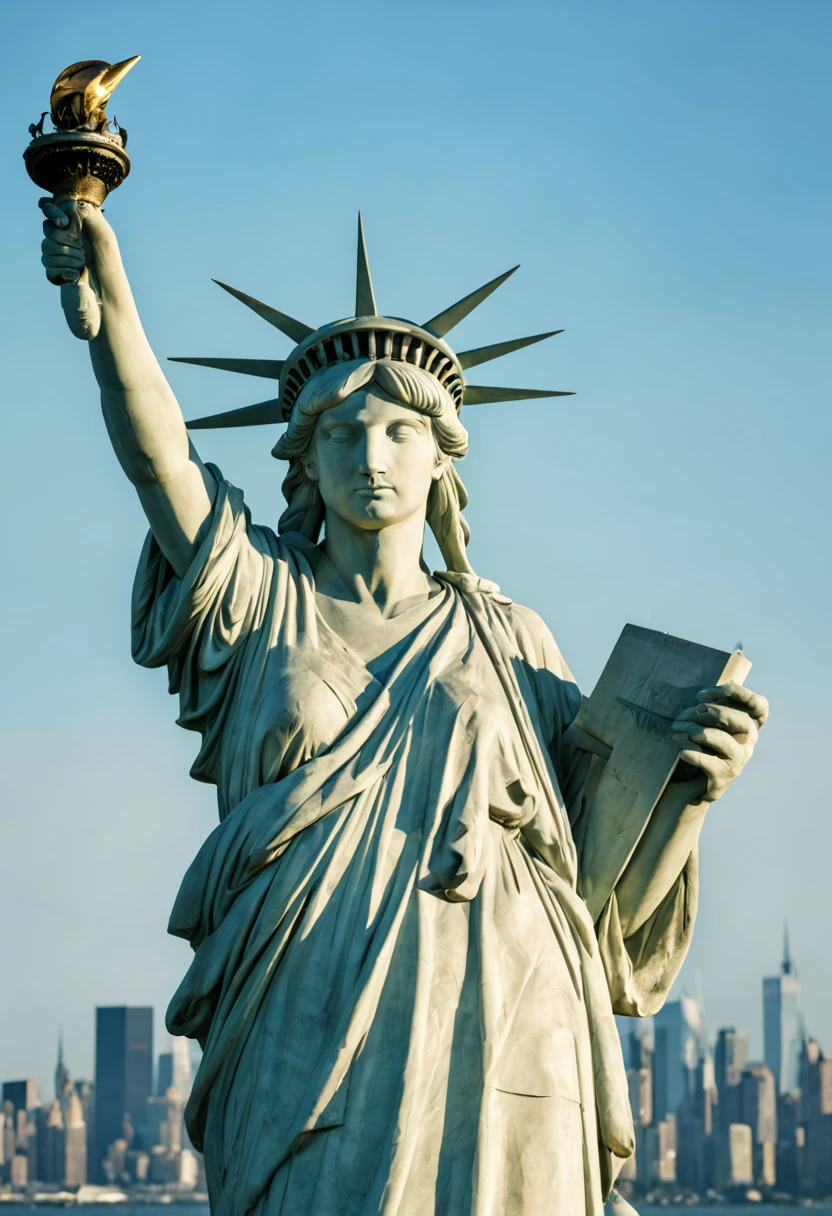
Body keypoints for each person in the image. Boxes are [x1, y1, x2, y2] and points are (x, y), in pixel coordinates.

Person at [39, 198, 767, 1216]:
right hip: (302, 1025)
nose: (370, 456)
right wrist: (107, 296)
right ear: (305, 456)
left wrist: (690, 791)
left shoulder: (513, 640)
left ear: (441, 461)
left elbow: (598, 898)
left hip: (512, 1020)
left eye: (397, 432)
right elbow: (159, 464)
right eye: (341, 432)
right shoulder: (258, 599)